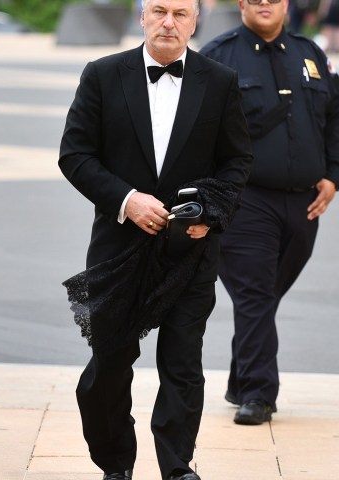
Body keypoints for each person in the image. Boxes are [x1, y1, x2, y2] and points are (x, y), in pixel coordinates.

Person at [59, 0, 252, 478]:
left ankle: (177, 466)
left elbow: (237, 161)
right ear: (142, 16)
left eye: (181, 14)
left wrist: (208, 212)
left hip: (191, 247)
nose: (169, 22)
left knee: (183, 364)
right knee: (109, 365)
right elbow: (75, 154)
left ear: (195, 20)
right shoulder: (102, 74)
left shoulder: (220, 81)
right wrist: (127, 199)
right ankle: (115, 463)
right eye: (160, 11)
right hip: (120, 246)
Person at [200, 0, 339, 426]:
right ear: (242, 2)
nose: (264, 3)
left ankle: (241, 380)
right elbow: (199, 131)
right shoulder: (217, 55)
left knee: (261, 298)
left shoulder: (310, 53)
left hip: (304, 204)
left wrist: (333, 175)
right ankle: (259, 394)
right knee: (255, 294)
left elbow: (333, 118)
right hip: (246, 201)